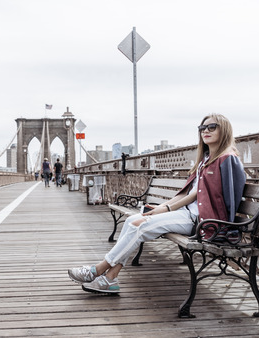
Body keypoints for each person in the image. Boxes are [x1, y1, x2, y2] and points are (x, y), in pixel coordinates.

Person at [68, 113, 246, 294]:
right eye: (202, 128)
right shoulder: (206, 160)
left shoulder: (228, 159)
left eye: (212, 127)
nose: (205, 131)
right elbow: (190, 194)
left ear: (224, 130)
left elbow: (231, 198)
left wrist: (224, 229)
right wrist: (162, 208)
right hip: (186, 214)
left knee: (139, 226)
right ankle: (110, 278)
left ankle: (97, 270)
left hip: (203, 221)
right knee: (132, 221)